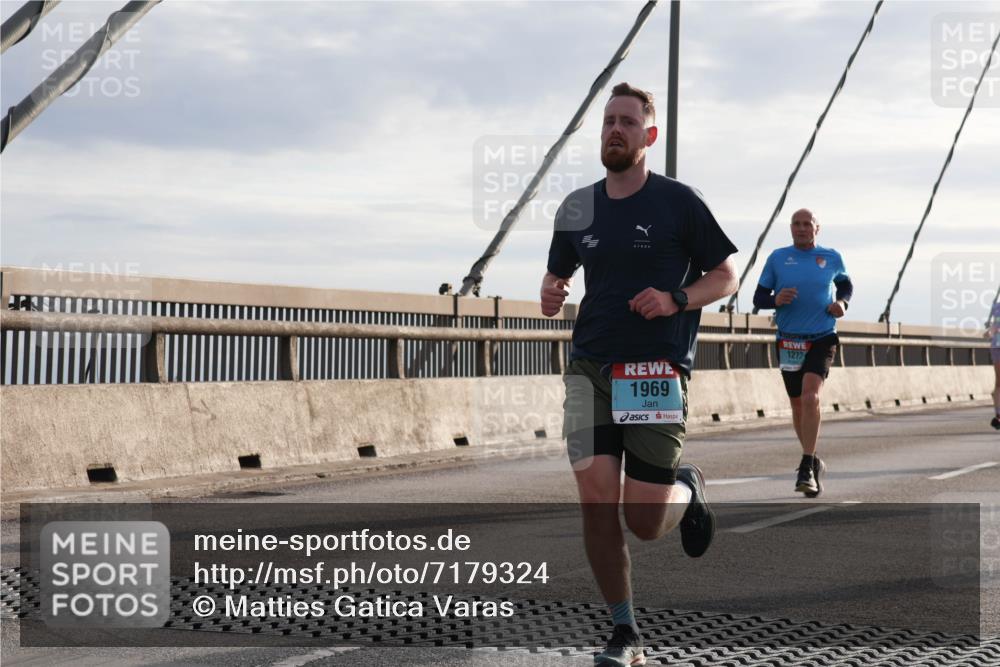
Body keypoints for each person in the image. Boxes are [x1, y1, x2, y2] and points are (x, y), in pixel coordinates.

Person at [541, 82, 738, 667]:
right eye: (608, 121)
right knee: (596, 503)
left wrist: (678, 298)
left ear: (648, 137)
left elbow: (725, 275)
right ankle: (624, 631)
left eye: (627, 122)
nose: (615, 130)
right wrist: (552, 290)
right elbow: (559, 274)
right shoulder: (577, 206)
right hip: (589, 369)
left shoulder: (679, 202)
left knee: (645, 521)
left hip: (653, 372)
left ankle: (688, 489)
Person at [753, 208, 852, 497]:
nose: (801, 228)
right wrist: (775, 300)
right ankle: (812, 457)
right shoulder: (778, 258)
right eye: (796, 224)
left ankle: (806, 465)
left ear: (817, 228)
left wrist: (842, 303)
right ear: (791, 228)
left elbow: (845, 284)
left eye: (807, 224)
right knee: (797, 405)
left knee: (811, 397)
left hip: (822, 336)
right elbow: (759, 297)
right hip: (789, 341)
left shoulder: (831, 257)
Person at [989, 296, 1000, 430]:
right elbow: (994, 326)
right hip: (996, 346)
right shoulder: (996, 306)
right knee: (999, 382)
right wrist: (990, 331)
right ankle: (998, 415)